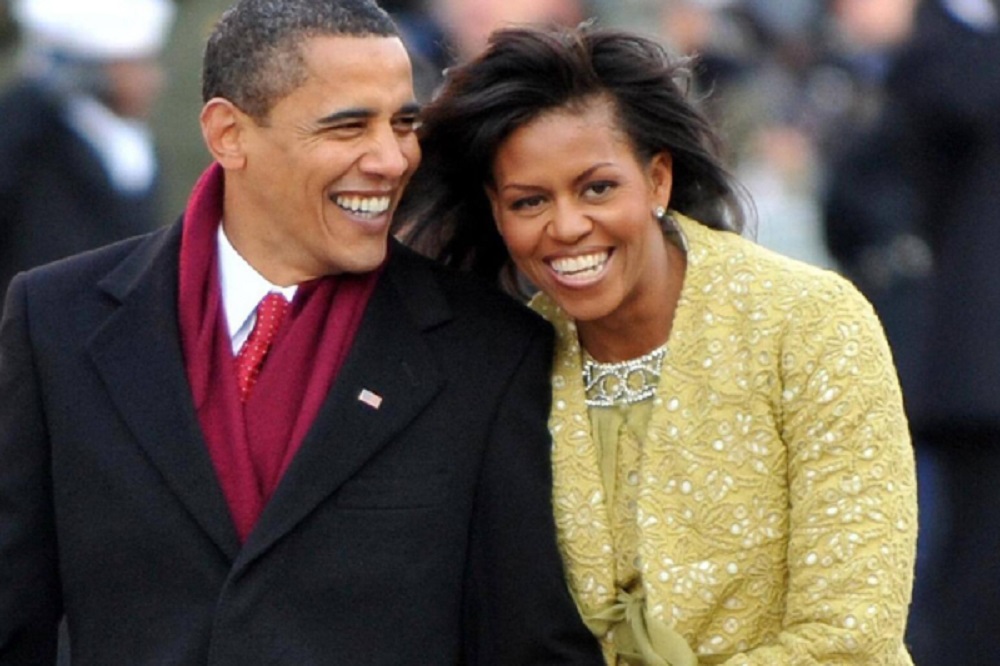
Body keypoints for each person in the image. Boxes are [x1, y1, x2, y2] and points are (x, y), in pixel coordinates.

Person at [0, 1, 604, 663]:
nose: (392, 159)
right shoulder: (56, 320)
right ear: (228, 134)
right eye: (349, 126)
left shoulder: (487, 352)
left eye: (404, 123)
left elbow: (526, 641)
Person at [400, 23, 918, 664]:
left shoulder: (810, 324)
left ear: (658, 180)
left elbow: (852, 634)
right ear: (498, 213)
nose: (567, 226)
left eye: (598, 188)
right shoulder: (506, 361)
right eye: (529, 202)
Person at [0, 0, 175, 299]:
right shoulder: (29, 135)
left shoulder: (127, 143)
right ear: (95, 71)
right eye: (137, 66)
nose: (154, 80)